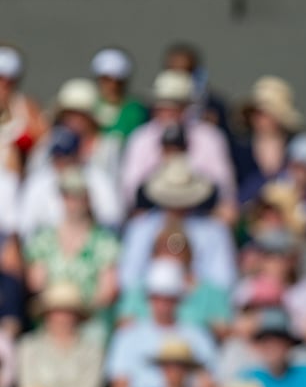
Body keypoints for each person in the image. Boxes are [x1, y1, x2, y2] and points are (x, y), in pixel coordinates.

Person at [120, 70, 237, 218]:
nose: (168, 113)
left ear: (187, 107)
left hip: (201, 214)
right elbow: (130, 190)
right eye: (163, 106)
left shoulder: (210, 137)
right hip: (153, 214)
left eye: (174, 106)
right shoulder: (141, 138)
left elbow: (224, 187)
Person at [105, 258, 219, 387]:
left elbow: (209, 381)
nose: (163, 305)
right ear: (149, 298)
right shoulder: (127, 336)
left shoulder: (198, 335)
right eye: (157, 297)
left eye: (169, 298)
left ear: (179, 299)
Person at [119, 155, 237, 295]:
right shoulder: (140, 228)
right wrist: (161, 288)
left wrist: (192, 288)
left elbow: (224, 282)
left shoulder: (214, 231)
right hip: (149, 305)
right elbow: (128, 279)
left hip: (201, 307)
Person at [22, 166, 120, 325]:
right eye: (67, 196)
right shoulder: (43, 239)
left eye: (77, 196)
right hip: (52, 314)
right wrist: (62, 306)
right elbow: (36, 282)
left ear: (87, 199)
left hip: (89, 319)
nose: (72, 202)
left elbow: (107, 291)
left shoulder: (105, 241)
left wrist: (77, 310)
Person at [15, 282, 105, 387]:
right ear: (46, 314)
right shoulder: (28, 347)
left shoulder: (92, 352)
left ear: (77, 316)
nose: (62, 318)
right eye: (56, 311)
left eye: (68, 312)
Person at [90, 47, 148, 141]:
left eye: (118, 82)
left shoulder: (135, 111)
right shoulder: (87, 107)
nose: (113, 86)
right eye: (107, 80)